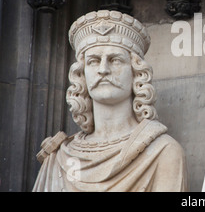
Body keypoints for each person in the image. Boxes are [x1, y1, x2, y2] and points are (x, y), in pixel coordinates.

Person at [33, 10, 187, 192]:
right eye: (93, 61)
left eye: (115, 60)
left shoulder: (163, 152)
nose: (103, 69)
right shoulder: (57, 158)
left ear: (136, 73)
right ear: (81, 75)